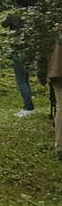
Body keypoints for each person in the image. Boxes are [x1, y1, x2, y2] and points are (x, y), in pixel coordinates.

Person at [2, 11, 37, 117]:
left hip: (18, 49)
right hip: (30, 49)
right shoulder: (32, 14)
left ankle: (28, 107)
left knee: (21, 80)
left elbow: (3, 24)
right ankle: (29, 103)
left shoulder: (14, 14)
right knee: (26, 78)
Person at [38, 31, 62, 162]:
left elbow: (43, 54)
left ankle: (60, 147)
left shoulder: (53, 30)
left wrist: (42, 74)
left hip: (58, 74)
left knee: (61, 109)